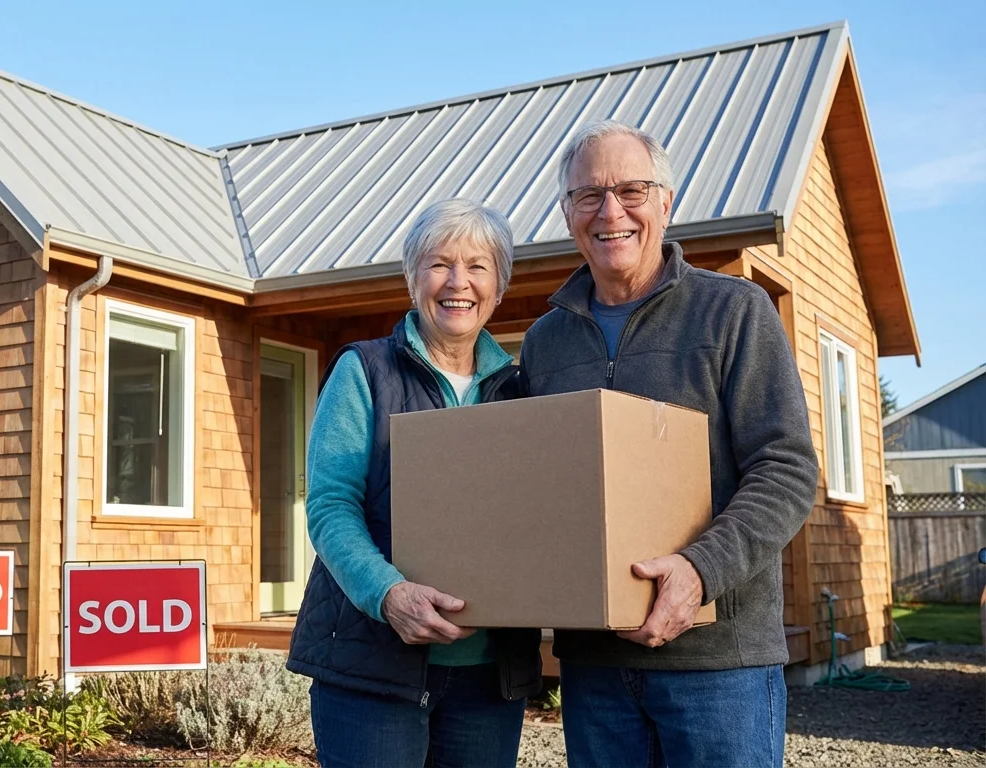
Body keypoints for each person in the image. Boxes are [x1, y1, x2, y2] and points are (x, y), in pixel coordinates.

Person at [520, 120, 819, 767]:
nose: (610, 212)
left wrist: (699, 572)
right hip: (594, 665)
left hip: (719, 665)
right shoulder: (545, 343)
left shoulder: (735, 312)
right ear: (568, 212)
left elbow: (787, 469)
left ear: (666, 202)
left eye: (631, 190)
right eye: (588, 195)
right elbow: (535, 488)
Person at [287, 199, 543, 767]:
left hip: (487, 675)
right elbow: (331, 505)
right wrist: (388, 594)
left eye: (478, 266)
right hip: (372, 669)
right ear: (412, 278)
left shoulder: (519, 389)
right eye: (438, 264)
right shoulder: (365, 370)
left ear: (499, 286)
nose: (459, 282)